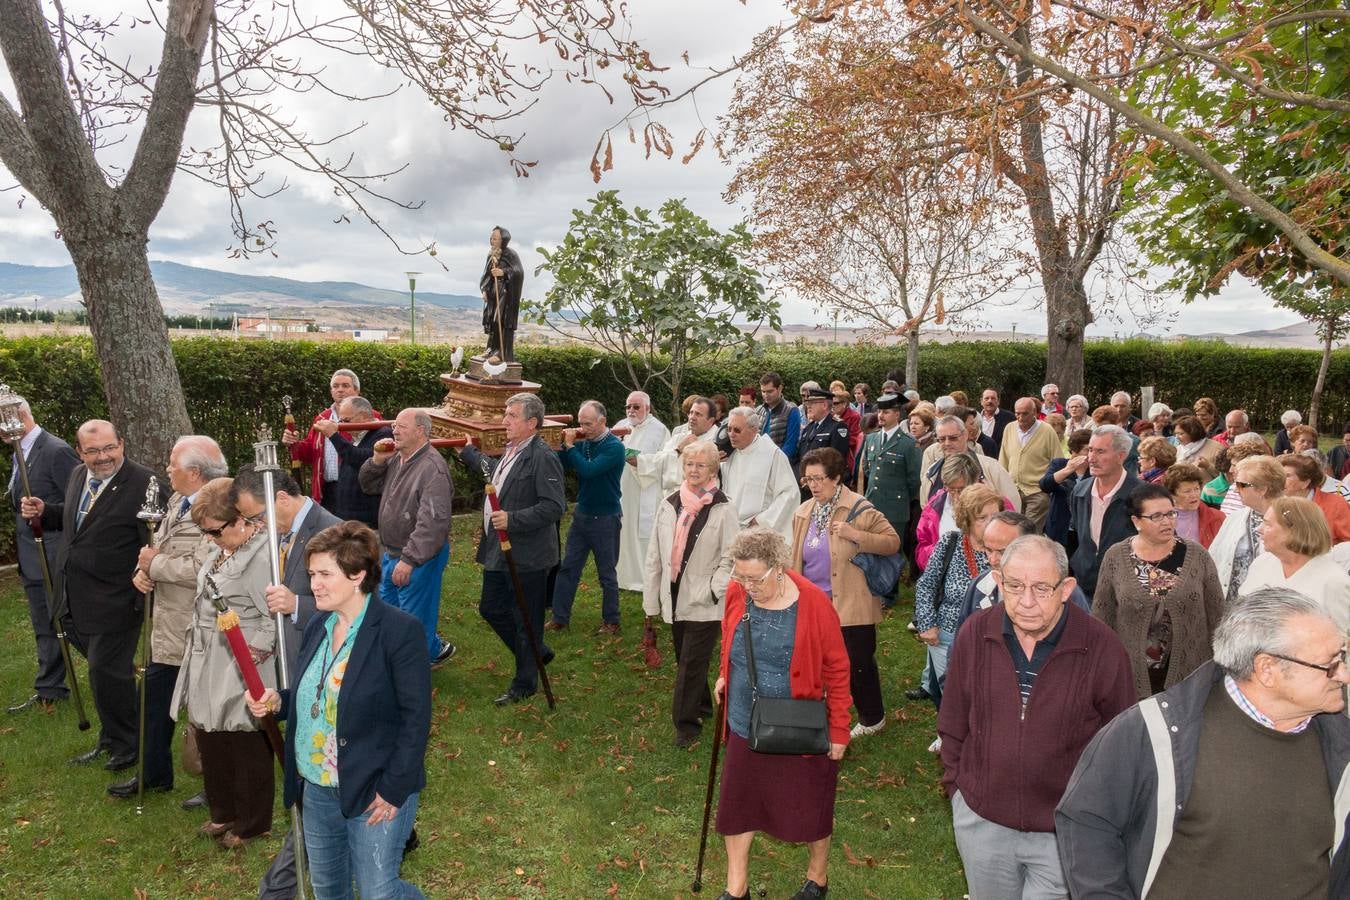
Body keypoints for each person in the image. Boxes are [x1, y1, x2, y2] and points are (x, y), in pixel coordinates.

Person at [1055, 588, 1350, 899]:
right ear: (1267, 670)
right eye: (1330, 665)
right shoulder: (1152, 731)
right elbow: (1087, 820)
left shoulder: (1340, 749)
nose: (1343, 675)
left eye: (1343, 657)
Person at [940, 535, 1134, 899]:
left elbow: (1122, 746)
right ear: (998, 581)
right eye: (1014, 586)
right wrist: (958, 791)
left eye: (1042, 588)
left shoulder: (1102, 648)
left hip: (1063, 832)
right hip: (982, 823)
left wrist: (1093, 816)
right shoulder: (975, 633)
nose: (1026, 602)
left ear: (1066, 589)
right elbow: (953, 720)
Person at [246, 521, 430, 899]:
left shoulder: (398, 631)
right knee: (329, 891)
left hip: (374, 785)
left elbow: (416, 719)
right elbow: (313, 691)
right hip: (316, 786)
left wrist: (394, 790)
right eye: (312, 573)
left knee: (379, 892)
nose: (314, 584)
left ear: (358, 574)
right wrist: (278, 700)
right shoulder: (319, 625)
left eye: (325, 574)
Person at [713, 528, 851, 900]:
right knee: (738, 806)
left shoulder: (813, 603)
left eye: (755, 578)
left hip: (798, 725)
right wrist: (726, 672)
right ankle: (735, 886)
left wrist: (839, 729)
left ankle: (816, 878)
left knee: (809, 806)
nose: (747, 585)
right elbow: (731, 633)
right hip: (746, 720)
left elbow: (837, 667)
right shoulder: (737, 591)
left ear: (779, 568)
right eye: (740, 576)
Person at [22, 419, 159, 770]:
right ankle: (112, 735)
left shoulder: (144, 483)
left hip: (117, 596)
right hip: (74, 593)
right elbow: (76, 523)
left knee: (105, 671)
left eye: (110, 448)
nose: (103, 457)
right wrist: (45, 511)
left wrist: (145, 574)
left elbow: (158, 539)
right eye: (94, 451)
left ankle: (130, 746)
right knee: (107, 672)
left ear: (122, 444)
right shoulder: (78, 476)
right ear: (80, 451)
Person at [116, 436, 224, 800]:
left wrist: (155, 566)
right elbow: (156, 548)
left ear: (194, 472)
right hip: (169, 626)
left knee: (208, 708)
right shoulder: (179, 500)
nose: (166, 469)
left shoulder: (218, 507)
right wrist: (141, 572)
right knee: (151, 697)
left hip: (201, 627)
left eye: (172, 464)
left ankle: (217, 783)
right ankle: (154, 774)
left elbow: (204, 568)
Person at [170, 477, 275, 848]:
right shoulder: (221, 549)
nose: (209, 539)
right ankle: (223, 812)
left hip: (241, 659)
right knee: (211, 736)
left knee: (242, 738)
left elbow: (271, 619)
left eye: (214, 531)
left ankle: (252, 823)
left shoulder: (262, 556)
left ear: (241, 520)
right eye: (204, 532)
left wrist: (253, 656)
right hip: (207, 656)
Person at [458, 393, 566, 705]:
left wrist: (513, 518)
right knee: (491, 608)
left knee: (525, 619)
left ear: (532, 423)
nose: (505, 420)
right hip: (500, 550)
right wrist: (469, 455)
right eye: (506, 414)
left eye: (512, 416)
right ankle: (537, 652)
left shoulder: (543, 456)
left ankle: (525, 682)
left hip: (528, 555)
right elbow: (498, 474)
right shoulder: (512, 451)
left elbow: (555, 506)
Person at [791, 448, 899, 738]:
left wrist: (856, 536)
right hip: (815, 602)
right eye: (808, 479)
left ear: (837, 478)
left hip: (852, 600)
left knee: (858, 662)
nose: (813, 485)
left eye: (819, 479)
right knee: (819, 661)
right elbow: (795, 558)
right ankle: (824, 711)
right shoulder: (803, 512)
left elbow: (892, 542)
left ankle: (872, 717)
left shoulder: (859, 508)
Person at [642, 441, 736, 747]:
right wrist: (651, 600)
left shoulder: (723, 507)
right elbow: (655, 552)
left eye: (701, 466)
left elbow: (732, 556)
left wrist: (713, 589)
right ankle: (704, 704)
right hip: (674, 595)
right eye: (689, 465)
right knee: (687, 657)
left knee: (690, 664)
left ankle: (686, 725)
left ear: (713, 470)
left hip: (704, 600)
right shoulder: (670, 503)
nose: (694, 471)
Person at [1091, 483, 1225, 700]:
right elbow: (1102, 614)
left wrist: (1220, 665)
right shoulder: (1116, 557)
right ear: (1136, 521)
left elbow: (1217, 612)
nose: (1167, 522)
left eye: (1171, 514)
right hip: (1134, 672)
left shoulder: (1197, 555)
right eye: (1156, 517)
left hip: (1190, 670)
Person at [358, 409, 454, 664]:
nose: (394, 430)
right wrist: (377, 460)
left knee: (414, 619)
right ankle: (424, 653)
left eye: (401, 426)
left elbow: (433, 523)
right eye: (394, 426)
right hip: (391, 552)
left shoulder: (432, 468)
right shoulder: (397, 458)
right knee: (390, 612)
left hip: (418, 558)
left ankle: (416, 670)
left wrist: (410, 560)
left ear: (420, 431)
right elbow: (368, 485)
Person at [5, 397, 79, 714]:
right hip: (31, 556)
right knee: (43, 624)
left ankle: (113, 673)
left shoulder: (55, 450)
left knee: (68, 622)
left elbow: (76, 504)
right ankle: (50, 688)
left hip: (52, 554)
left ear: (19, 416)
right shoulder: (22, 451)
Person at [914, 485, 1001, 713]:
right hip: (948, 635)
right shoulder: (950, 543)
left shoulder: (1008, 549)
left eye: (996, 515)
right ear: (967, 520)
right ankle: (950, 735)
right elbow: (926, 584)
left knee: (987, 697)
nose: (991, 522)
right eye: (982, 517)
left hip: (993, 639)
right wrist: (927, 625)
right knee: (951, 695)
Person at [548, 401, 625, 633]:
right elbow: (562, 463)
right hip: (582, 515)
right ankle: (559, 617)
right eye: (580, 423)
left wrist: (571, 447)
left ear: (603, 421)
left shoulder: (614, 447)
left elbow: (588, 471)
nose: (583, 428)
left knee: (607, 573)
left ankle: (611, 620)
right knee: (568, 569)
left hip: (605, 518)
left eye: (588, 424)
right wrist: (558, 446)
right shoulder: (584, 444)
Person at [957, 511, 1093, 629]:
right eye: (988, 550)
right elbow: (961, 644)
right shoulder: (979, 586)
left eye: (1003, 551)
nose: (992, 560)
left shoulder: (1064, 592)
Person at [1239, 497, 1350, 629]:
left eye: (1268, 524)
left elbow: (1342, 639)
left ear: (1293, 531)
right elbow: (1241, 612)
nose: (1259, 529)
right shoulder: (1261, 563)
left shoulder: (1333, 581)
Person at [1067, 426, 1142, 603]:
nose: (1091, 458)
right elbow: (1076, 536)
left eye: (1100, 451)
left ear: (1121, 456)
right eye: (1090, 450)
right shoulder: (1080, 490)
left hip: (1126, 592)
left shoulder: (1143, 495)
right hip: (1085, 587)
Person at [856, 393, 923, 586]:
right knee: (871, 546)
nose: (880, 415)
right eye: (879, 411)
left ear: (897, 415)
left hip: (895, 507)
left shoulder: (908, 444)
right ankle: (873, 585)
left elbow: (913, 479)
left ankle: (889, 591)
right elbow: (868, 470)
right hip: (873, 503)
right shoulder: (872, 439)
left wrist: (900, 499)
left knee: (891, 550)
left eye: (886, 412)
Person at [283, 368, 368, 512]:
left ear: (357, 390)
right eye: (335, 386)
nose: (340, 390)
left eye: (345, 386)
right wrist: (293, 442)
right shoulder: (322, 418)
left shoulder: (368, 417)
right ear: (331, 391)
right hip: (326, 491)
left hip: (356, 491)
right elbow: (310, 454)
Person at [1209, 454, 1285, 602]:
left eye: (1241, 485)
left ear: (1262, 489)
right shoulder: (1235, 518)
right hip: (1231, 610)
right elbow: (1214, 559)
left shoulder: (1294, 520)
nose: (1235, 490)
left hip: (1272, 610)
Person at [614, 391, 670, 592]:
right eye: (628, 406)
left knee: (642, 535)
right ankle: (621, 577)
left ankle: (643, 579)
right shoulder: (620, 427)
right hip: (621, 489)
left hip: (645, 490)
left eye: (636, 407)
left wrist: (641, 462)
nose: (631, 411)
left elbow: (666, 460)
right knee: (622, 532)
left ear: (647, 408)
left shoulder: (659, 430)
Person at [719, 406, 800, 541]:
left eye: (737, 430)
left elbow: (790, 493)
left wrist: (762, 521)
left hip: (758, 531)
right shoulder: (729, 454)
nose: (731, 434)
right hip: (731, 528)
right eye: (729, 429)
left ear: (754, 429)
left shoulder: (772, 454)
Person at [920, 414, 1019, 508]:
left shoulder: (991, 468)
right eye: (941, 439)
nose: (947, 443)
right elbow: (927, 510)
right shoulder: (931, 473)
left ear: (965, 435)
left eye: (953, 438)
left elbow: (1012, 505)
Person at [634, 395, 718, 498]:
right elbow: (659, 461)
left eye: (698, 414)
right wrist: (679, 449)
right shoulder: (679, 438)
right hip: (672, 498)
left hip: (699, 500)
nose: (692, 417)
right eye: (691, 413)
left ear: (711, 420)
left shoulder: (717, 442)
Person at [326, 396, 390, 528]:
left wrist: (334, 436)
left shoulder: (383, 434)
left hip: (367, 523)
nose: (342, 425)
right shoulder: (357, 437)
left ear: (364, 416)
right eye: (341, 421)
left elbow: (361, 460)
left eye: (346, 420)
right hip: (350, 519)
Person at [999, 396, 1060, 528]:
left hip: (1037, 492)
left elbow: (1057, 461)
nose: (1020, 418)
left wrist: (1048, 488)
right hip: (1013, 489)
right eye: (1017, 413)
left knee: (1028, 531)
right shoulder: (1009, 428)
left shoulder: (1047, 431)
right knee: (1012, 529)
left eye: (1025, 414)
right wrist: (1002, 485)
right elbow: (1003, 459)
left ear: (1035, 413)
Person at [1040, 428, 1093, 551]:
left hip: (1083, 529)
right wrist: (1068, 470)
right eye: (1088, 450)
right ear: (1074, 450)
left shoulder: (1095, 470)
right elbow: (1045, 486)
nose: (1091, 454)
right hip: (1059, 526)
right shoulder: (1059, 464)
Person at [479, 225, 525, 361]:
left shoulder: (511, 254)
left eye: (495, 239)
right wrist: (485, 290)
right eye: (491, 238)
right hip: (493, 295)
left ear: (503, 240)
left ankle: (501, 353)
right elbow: (486, 275)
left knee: (500, 321)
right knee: (492, 322)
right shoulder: (491, 254)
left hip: (506, 294)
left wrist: (504, 272)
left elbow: (519, 272)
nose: (492, 241)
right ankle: (491, 350)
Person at [1281, 452, 1350, 542]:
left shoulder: (1336, 505)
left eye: (1287, 476)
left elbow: (1347, 544)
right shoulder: (1276, 503)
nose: (1280, 479)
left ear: (1305, 483)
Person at [796, 388, 849, 493]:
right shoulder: (809, 428)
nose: (808, 406)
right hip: (806, 485)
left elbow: (837, 462)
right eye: (807, 403)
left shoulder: (837, 427)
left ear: (824, 405)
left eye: (812, 403)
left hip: (825, 487)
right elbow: (800, 456)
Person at [1164, 462, 1225, 549]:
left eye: (1196, 489)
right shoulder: (1161, 519)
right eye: (1187, 491)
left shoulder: (1217, 517)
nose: (1194, 495)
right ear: (1172, 494)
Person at [756, 372, 802, 464]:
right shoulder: (758, 410)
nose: (766, 395)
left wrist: (775, 463)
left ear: (780, 389)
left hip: (780, 464)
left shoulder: (791, 410)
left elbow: (791, 445)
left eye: (770, 391)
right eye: (763, 391)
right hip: (759, 462)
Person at [1172, 415, 1221, 481]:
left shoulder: (1216, 448)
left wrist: (1208, 466)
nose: (1177, 437)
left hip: (1207, 490)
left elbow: (1226, 476)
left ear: (1193, 433)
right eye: (1176, 434)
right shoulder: (1177, 449)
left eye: (1181, 434)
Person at [829, 390, 862, 475]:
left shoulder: (854, 416)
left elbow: (855, 438)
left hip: (847, 456)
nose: (832, 406)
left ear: (844, 404)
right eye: (831, 403)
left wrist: (838, 440)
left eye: (835, 403)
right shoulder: (831, 416)